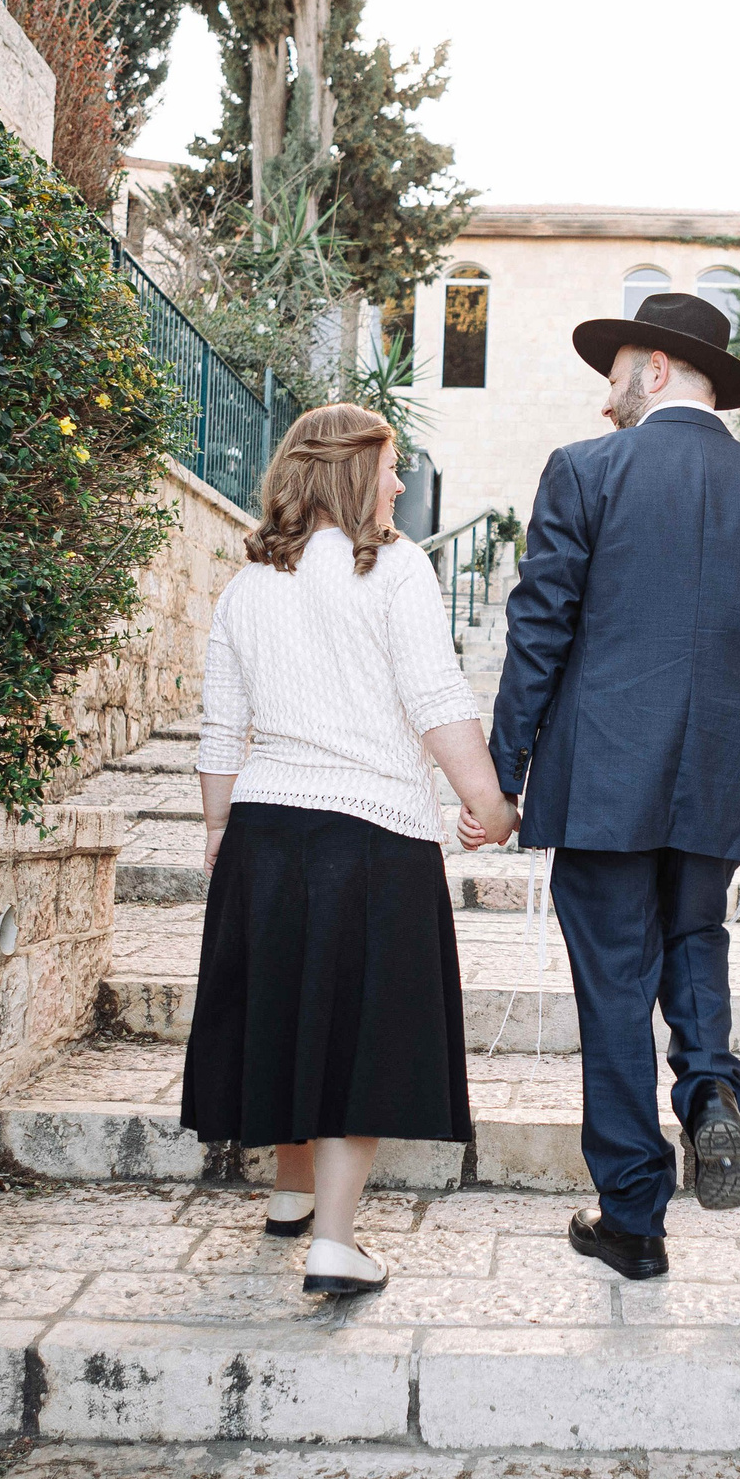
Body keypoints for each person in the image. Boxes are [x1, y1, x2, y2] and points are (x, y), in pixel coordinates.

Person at [479, 292, 740, 1281]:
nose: (605, 399)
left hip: (603, 776)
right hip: (724, 774)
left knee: (613, 986)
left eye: (616, 372)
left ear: (661, 369)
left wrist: (503, 775)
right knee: (693, 934)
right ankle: (711, 1089)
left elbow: (539, 630)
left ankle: (633, 1217)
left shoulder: (584, 472)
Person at [181, 403, 518, 1297]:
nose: (401, 484)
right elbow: (435, 693)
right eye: (390, 465)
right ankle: (334, 1240)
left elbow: (221, 727)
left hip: (264, 830)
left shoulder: (247, 583)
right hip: (370, 835)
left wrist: (219, 832)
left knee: (291, 1009)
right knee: (353, 1037)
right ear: (346, 472)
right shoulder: (398, 570)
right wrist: (490, 803)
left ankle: (292, 1195)